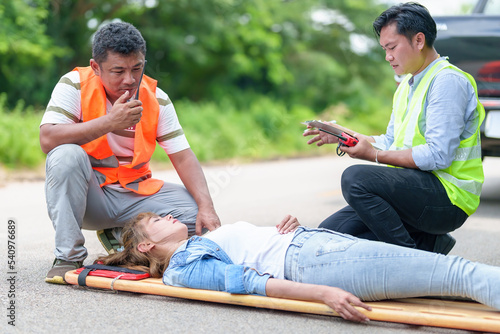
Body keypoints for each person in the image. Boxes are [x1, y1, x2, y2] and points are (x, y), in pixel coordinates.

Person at [40, 22, 220, 284]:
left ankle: (125, 241)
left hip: (134, 194)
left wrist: (207, 207)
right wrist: (109, 123)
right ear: (95, 67)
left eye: (137, 68)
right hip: (89, 198)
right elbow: (48, 139)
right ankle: (69, 255)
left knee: (195, 218)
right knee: (65, 155)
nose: (129, 79)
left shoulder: (157, 98)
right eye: (118, 71)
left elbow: (182, 156)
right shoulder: (73, 85)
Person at [303, 2, 484, 255]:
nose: (388, 56)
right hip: (413, 191)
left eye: (392, 47)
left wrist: (373, 156)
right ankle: (429, 243)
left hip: (447, 199)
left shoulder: (447, 82)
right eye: (384, 49)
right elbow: (390, 141)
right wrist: (344, 135)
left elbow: (438, 155)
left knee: (355, 179)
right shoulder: (406, 87)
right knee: (328, 233)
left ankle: (411, 260)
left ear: (419, 40)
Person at [98, 212, 500, 324]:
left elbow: (254, 249)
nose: (170, 216)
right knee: (458, 274)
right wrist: (323, 295)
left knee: (450, 279)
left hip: (313, 245)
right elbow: (254, 284)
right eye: (158, 220)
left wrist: (285, 227)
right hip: (314, 265)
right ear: (148, 244)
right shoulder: (183, 267)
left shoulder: (196, 244)